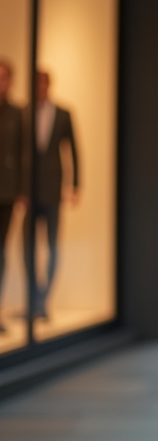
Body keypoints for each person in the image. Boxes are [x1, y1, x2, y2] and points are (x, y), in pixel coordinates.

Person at [28, 70, 77, 320]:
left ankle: (43, 300)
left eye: (43, 83)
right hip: (29, 190)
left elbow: (74, 150)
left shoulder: (63, 114)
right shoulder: (25, 112)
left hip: (53, 189)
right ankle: (34, 297)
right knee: (27, 247)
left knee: (52, 245)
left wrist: (75, 184)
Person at [0, 60, 26, 333]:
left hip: (6, 193)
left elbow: (23, 154)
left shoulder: (17, 114)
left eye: (4, 78)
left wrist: (22, 190)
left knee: (1, 250)